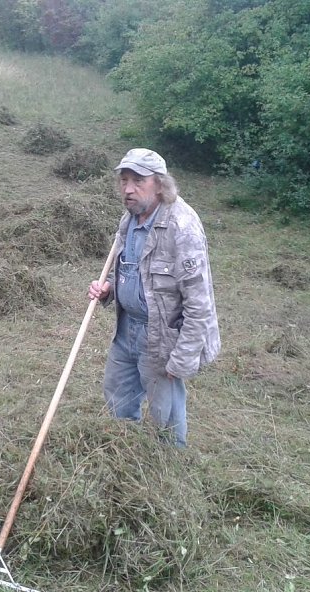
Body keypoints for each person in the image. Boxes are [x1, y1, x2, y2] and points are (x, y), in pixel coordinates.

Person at [88, 148, 220, 447]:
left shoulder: (181, 227)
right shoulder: (129, 219)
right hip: (126, 329)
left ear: (160, 184)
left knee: (166, 419)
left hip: (161, 336)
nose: (128, 189)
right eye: (124, 180)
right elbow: (129, 269)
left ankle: (169, 469)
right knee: (117, 399)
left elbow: (200, 304)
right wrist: (109, 287)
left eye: (138, 180)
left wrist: (182, 359)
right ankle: (125, 454)